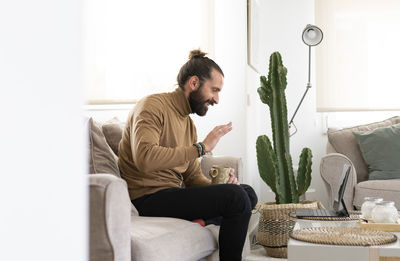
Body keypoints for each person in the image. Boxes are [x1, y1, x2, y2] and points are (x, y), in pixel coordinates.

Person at [118, 49, 257, 261]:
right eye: (214, 90)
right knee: (236, 198)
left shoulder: (188, 124)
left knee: (245, 193)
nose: (217, 99)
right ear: (194, 83)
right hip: (146, 199)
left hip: (172, 194)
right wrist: (201, 148)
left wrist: (220, 186)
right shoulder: (152, 107)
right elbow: (145, 158)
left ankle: (202, 218)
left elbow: (192, 178)